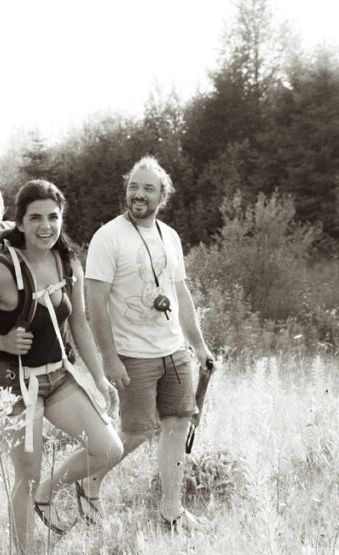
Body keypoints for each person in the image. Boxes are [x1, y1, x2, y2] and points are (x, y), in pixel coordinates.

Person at [0, 179, 122, 555]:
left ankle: (47, 493)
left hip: (58, 378)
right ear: (18, 223)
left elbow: (82, 326)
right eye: (35, 217)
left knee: (108, 448)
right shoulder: (2, 272)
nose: (46, 226)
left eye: (53, 217)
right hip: (16, 388)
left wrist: (100, 379)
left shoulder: (69, 262)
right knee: (25, 472)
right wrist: (0, 341)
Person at [82, 156, 215, 529]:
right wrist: (109, 358)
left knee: (177, 424)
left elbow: (181, 292)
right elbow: (94, 303)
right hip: (132, 353)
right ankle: (89, 486)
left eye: (148, 189)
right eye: (133, 187)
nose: (139, 194)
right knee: (136, 431)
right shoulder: (108, 237)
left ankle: (171, 511)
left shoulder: (169, 236)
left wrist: (199, 346)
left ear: (163, 196)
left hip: (173, 350)